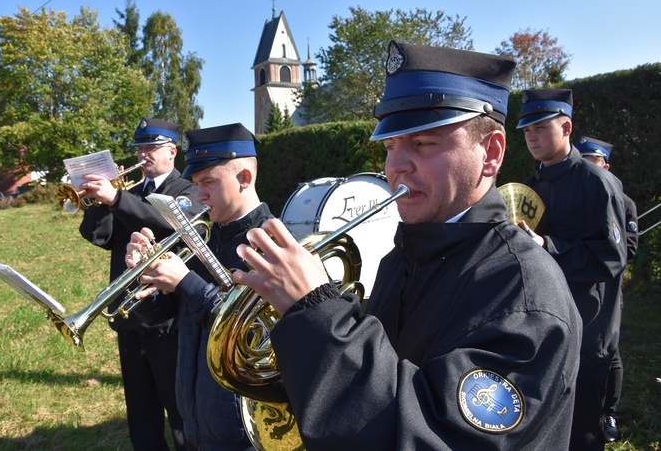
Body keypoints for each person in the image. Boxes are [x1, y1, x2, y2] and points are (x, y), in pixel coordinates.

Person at [231, 42, 582, 448]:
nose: (396, 166)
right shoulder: (403, 254)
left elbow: (431, 437)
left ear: (490, 153)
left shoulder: (523, 291)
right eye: (390, 146)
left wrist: (316, 312)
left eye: (423, 144)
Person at [127, 123, 269, 450]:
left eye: (208, 182)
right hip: (195, 417)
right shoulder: (202, 237)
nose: (199, 195)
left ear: (244, 178)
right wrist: (149, 286)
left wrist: (187, 282)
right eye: (195, 184)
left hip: (241, 431)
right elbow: (169, 317)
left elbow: (257, 332)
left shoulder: (270, 242)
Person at [79, 118, 202, 451]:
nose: (143, 155)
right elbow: (98, 236)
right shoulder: (129, 192)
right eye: (139, 149)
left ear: (172, 152)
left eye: (151, 148)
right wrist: (99, 201)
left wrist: (117, 198)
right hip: (128, 316)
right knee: (141, 415)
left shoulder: (186, 190)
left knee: (180, 416)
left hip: (167, 320)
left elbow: (166, 223)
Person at [516, 92, 628, 450]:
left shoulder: (597, 182)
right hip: (545, 317)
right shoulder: (530, 185)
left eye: (540, 128)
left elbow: (612, 257)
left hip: (589, 317)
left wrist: (548, 246)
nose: (531, 136)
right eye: (526, 130)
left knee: (583, 420)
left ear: (566, 127)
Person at [575, 135, 640, 443]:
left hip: (608, 290)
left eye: (595, 161)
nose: (589, 165)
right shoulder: (577, 195)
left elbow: (627, 247)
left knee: (608, 353)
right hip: (580, 290)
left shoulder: (621, 200)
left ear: (606, 165)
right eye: (584, 159)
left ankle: (608, 412)